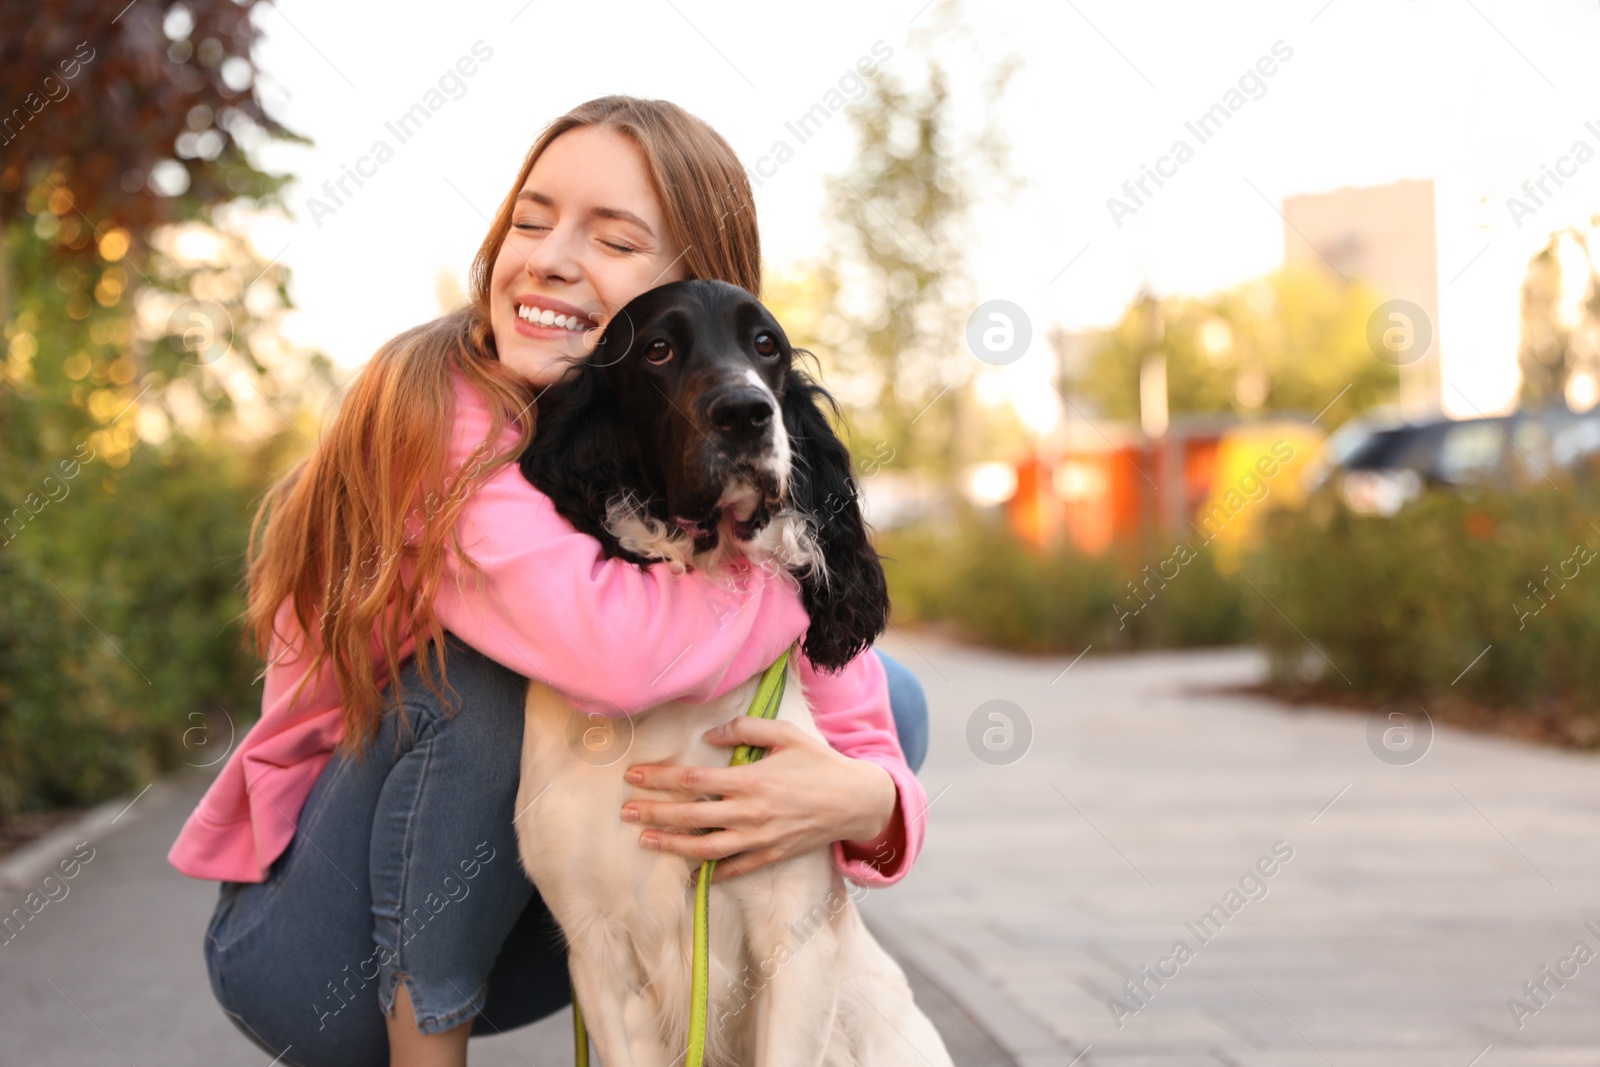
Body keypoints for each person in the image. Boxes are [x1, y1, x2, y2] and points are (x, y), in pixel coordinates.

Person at [167, 95, 931, 1067]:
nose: (550, 256)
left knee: (879, 701)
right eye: (530, 218)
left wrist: (871, 803)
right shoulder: (435, 407)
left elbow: (863, 725)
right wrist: (788, 558)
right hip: (316, 952)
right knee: (490, 683)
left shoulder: (667, 442)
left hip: (516, 941)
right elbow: (611, 654)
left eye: (611, 238)